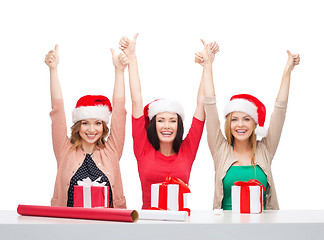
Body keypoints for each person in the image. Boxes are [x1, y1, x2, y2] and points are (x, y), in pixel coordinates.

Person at [195, 40, 300, 210]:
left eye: (246, 119)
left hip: (262, 231)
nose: (240, 125)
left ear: (254, 124)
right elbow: (210, 107)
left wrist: (288, 71)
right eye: (234, 119)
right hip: (226, 231)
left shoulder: (265, 149)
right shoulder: (220, 150)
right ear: (229, 124)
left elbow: (280, 111)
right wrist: (208, 66)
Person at [119, 34, 216, 209]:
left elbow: (202, 104)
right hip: (149, 223)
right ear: (153, 125)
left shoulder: (187, 150)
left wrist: (207, 67)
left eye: (172, 121)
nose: (166, 126)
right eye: (161, 120)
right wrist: (132, 58)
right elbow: (136, 100)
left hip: (181, 223)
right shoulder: (143, 149)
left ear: (178, 126)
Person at [45, 45, 129, 208]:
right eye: (85, 123)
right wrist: (53, 70)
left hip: (106, 227)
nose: (92, 130)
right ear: (78, 126)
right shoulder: (65, 151)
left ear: (103, 126)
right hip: (69, 227)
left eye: (97, 123)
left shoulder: (111, 151)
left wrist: (119, 72)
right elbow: (57, 112)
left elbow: (119, 112)